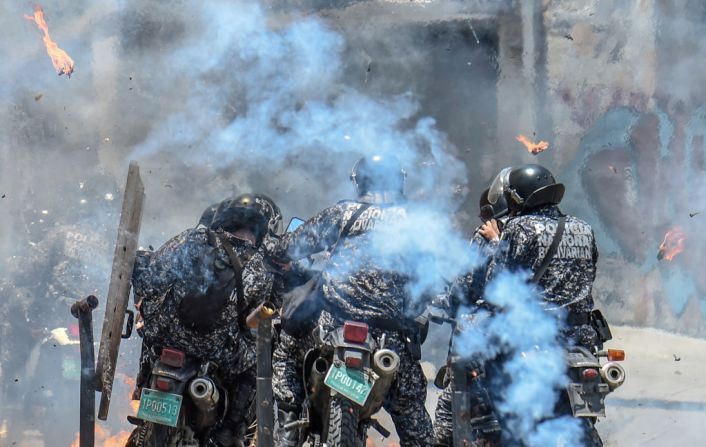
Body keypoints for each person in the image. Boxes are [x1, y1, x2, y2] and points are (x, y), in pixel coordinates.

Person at [272, 154, 434, 447]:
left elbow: (290, 246)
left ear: (359, 182)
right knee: (411, 410)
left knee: (285, 354)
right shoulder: (415, 222)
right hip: (390, 336)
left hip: (332, 324)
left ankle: (287, 433)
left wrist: (281, 256)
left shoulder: (344, 213)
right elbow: (429, 279)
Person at [131, 193, 282, 447]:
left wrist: (141, 270)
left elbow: (151, 280)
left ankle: (142, 380)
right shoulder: (259, 267)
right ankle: (230, 431)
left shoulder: (192, 239)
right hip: (215, 350)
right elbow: (251, 321)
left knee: (148, 325)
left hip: (167, 336)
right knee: (257, 361)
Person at [484, 163, 603, 445]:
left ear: (516, 197)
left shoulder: (519, 228)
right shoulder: (583, 227)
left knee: (489, 380)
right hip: (582, 339)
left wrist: (494, 245)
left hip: (534, 338)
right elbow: (591, 272)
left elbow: (496, 284)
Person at [433, 187, 508, 447]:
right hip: (531, 338)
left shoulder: (488, 235)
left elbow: (465, 288)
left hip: (481, 342)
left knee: (448, 413)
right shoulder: (533, 232)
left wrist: (447, 300)